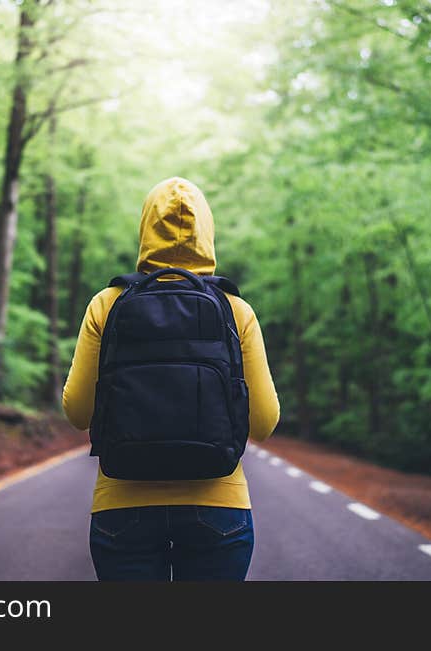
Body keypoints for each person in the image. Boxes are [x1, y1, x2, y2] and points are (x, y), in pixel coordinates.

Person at [62, 176, 280, 581]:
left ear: (145, 228)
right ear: (208, 231)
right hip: (220, 505)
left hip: (121, 507)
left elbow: (77, 412)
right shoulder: (235, 309)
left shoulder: (107, 304)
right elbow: (264, 424)